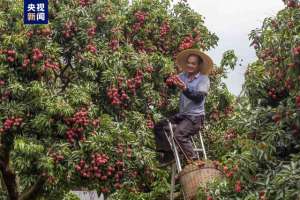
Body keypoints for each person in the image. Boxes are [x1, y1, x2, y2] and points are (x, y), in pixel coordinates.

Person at [153, 48, 213, 167]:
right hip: (183, 116)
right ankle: (168, 153)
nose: (190, 65)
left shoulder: (203, 79)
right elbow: (172, 85)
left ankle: (194, 161)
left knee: (179, 135)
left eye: (193, 63)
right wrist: (167, 79)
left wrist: (184, 88)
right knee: (160, 126)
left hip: (195, 118)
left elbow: (198, 98)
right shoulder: (183, 76)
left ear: (198, 65)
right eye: (188, 62)